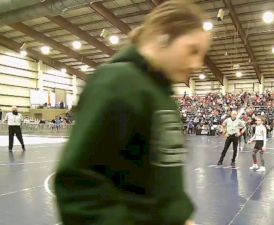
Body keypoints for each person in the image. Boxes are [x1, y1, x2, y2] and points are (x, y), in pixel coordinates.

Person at [54, 1, 210, 225]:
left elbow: (161, 178)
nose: (197, 64)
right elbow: (78, 184)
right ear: (163, 36)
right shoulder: (116, 82)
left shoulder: (163, 97)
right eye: (193, 50)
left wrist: (180, 216)